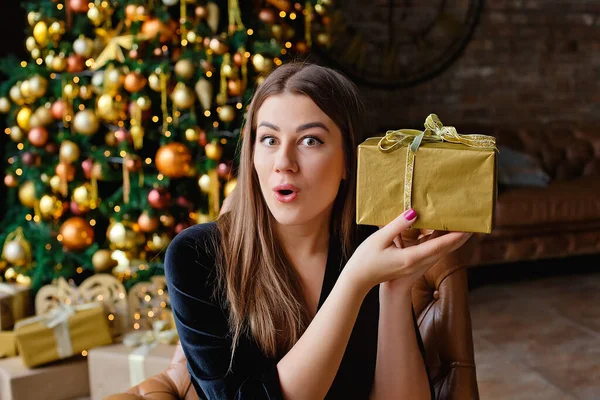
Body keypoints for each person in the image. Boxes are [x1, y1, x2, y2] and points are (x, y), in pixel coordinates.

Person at [164, 62, 473, 399]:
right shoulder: (196, 257)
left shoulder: (367, 245)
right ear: (251, 155)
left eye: (310, 140)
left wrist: (394, 290)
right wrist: (354, 282)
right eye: (268, 139)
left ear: (347, 162)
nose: (284, 161)